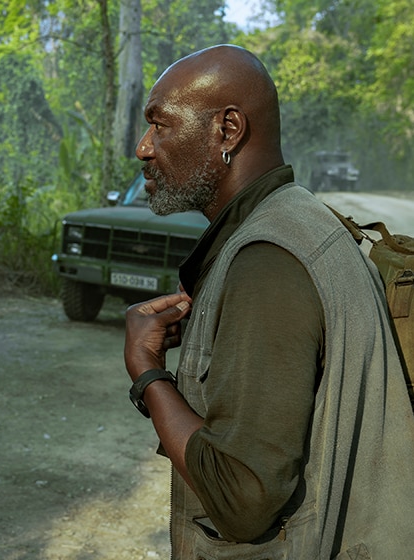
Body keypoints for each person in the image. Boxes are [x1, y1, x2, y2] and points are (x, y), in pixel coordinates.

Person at [122, 44, 414, 559]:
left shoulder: (267, 260)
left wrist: (146, 373)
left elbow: (241, 499)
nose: (144, 147)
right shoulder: (295, 218)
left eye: (160, 125)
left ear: (228, 130)